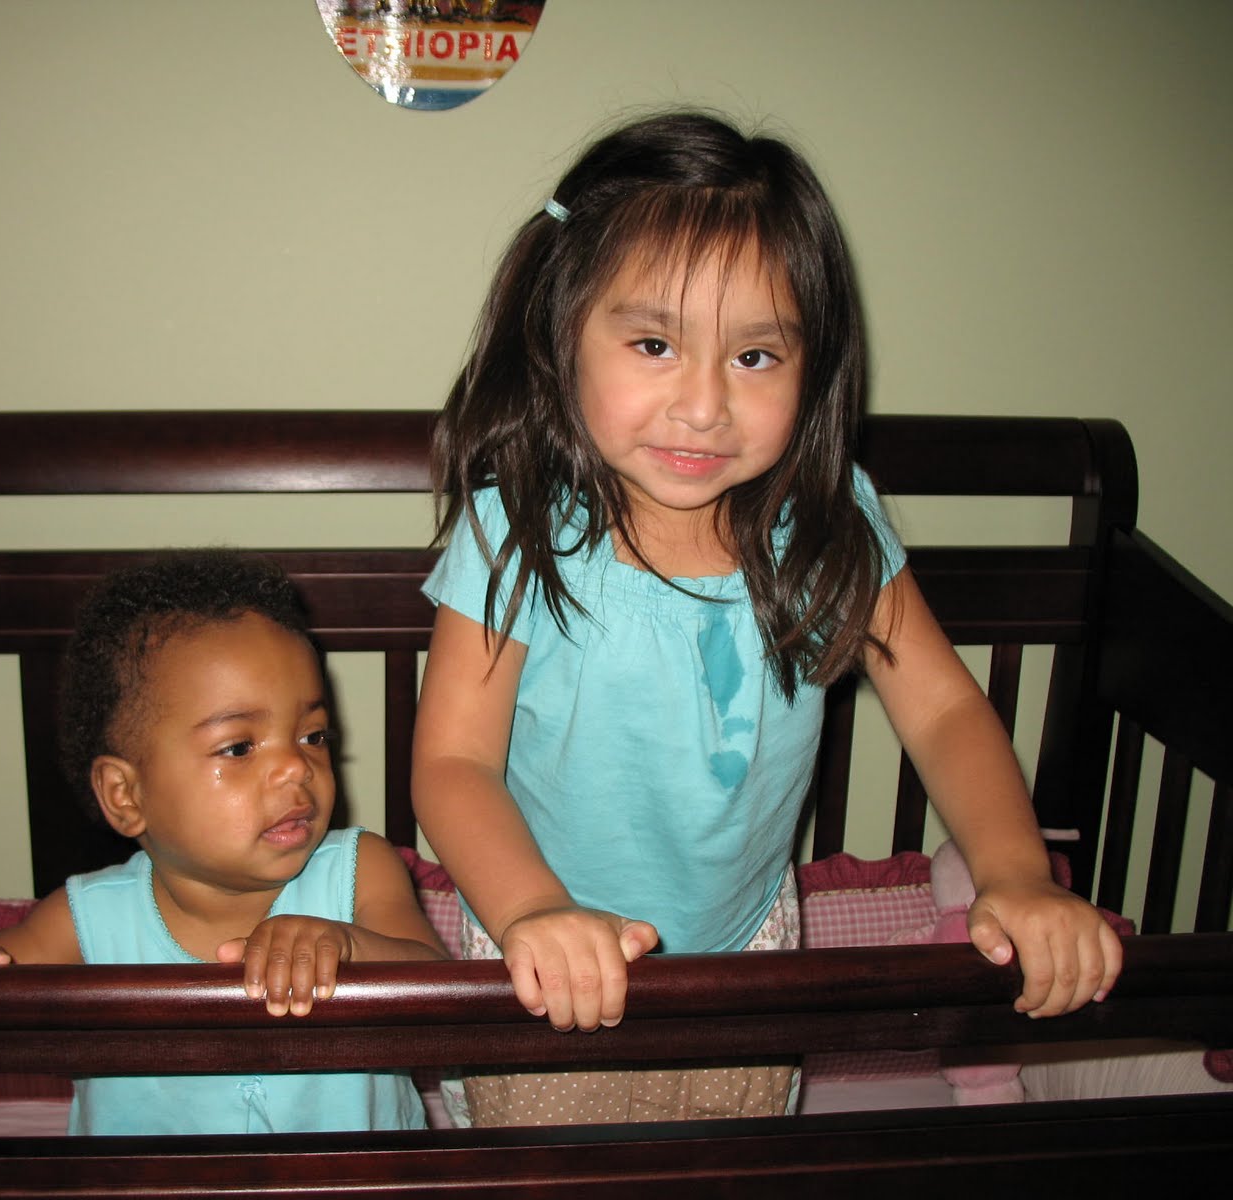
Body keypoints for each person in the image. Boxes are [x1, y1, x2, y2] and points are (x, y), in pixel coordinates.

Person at [411, 109, 1123, 1124]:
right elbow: (453, 763)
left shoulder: (827, 527)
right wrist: (534, 909)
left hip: (751, 956)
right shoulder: (514, 533)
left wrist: (1016, 874)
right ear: (561, 333)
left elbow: (942, 711)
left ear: (812, 366)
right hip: (548, 956)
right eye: (654, 343)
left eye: (755, 357)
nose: (704, 406)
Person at [0, 549, 446, 1135]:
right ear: (126, 795)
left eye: (313, 736)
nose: (296, 767)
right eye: (239, 747)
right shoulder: (86, 920)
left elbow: (444, 1001)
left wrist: (351, 947)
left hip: (357, 1177)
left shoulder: (358, 873)